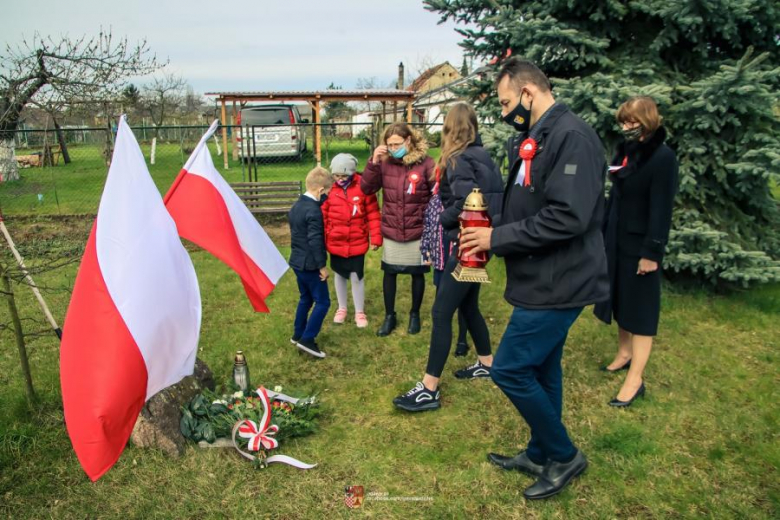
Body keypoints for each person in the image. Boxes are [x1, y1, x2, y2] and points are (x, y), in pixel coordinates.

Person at [459, 58, 609, 500]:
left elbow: (568, 217)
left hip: (562, 281)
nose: (505, 113)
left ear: (529, 93)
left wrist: (497, 236)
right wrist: (484, 230)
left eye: (507, 102)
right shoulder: (536, 138)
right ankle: (541, 451)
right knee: (543, 367)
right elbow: (528, 202)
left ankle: (564, 455)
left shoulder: (572, 137)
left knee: (509, 369)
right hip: (540, 277)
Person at [393, 102, 503, 412]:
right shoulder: (484, 157)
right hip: (483, 244)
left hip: (467, 245)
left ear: (449, 130)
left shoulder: (458, 159)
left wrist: (443, 219)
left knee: (442, 313)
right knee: (468, 305)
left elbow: (467, 204)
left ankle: (429, 389)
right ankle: (487, 362)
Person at [594, 96, 678, 407]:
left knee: (641, 310)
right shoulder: (626, 152)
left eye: (631, 121)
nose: (626, 127)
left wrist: (651, 253)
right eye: (623, 121)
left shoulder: (663, 158)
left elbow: (661, 209)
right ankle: (624, 352)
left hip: (641, 245)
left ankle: (635, 379)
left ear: (647, 121)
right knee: (621, 300)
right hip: (617, 239)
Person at [361, 122, 435, 337]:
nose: (393, 149)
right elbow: (367, 188)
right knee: (390, 272)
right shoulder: (383, 163)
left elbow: (435, 194)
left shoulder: (426, 163)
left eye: (397, 144)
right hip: (392, 228)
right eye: (389, 145)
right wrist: (373, 162)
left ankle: (414, 314)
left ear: (408, 141)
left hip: (417, 229)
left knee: (417, 274)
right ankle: (389, 315)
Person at [321, 153, 382, 328]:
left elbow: (373, 214)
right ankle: (341, 308)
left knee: (356, 276)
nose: (340, 179)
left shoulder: (364, 188)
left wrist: (375, 237)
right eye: (336, 176)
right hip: (336, 242)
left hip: (357, 242)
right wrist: (324, 238)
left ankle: (359, 311)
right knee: (339, 274)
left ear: (353, 173)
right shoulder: (329, 190)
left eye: (344, 176)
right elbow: (323, 216)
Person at [288, 167, 332, 359]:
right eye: (327, 193)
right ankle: (307, 339)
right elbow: (315, 240)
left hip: (297, 262)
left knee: (305, 298)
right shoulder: (314, 211)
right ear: (321, 190)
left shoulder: (296, 205)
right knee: (323, 302)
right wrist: (322, 266)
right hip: (310, 264)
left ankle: (297, 333)